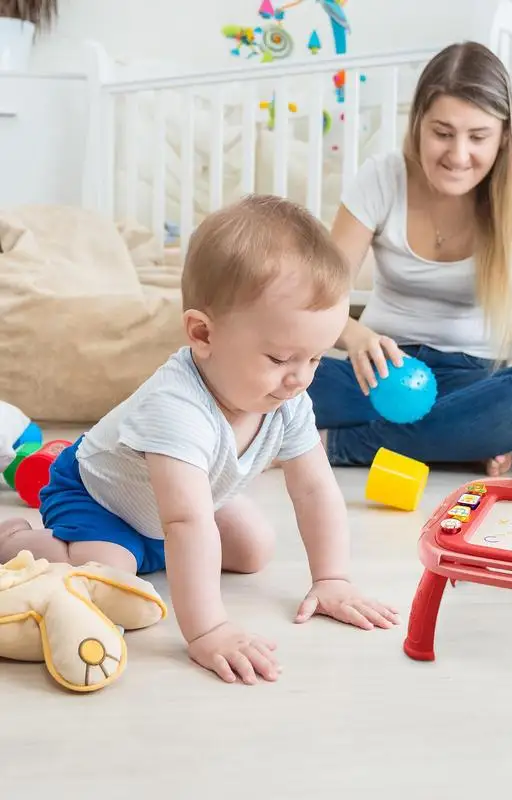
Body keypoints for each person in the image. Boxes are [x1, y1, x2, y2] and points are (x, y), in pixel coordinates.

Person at [0, 196, 399, 685]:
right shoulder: (176, 407)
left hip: (184, 501)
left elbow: (316, 490)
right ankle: (20, 538)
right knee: (107, 572)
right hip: (100, 498)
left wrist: (332, 578)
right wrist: (208, 629)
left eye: (315, 359)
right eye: (280, 358)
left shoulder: (287, 398)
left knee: (253, 549)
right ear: (202, 334)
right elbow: (186, 522)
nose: (300, 378)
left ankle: (155, 552)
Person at [307, 41, 512, 477]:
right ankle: (463, 442)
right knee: (274, 376)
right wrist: (356, 335)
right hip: (381, 374)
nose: (458, 156)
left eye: (478, 137)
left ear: (503, 137)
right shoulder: (382, 178)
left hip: (474, 381)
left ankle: (340, 445)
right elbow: (317, 300)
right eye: (442, 133)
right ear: (418, 123)